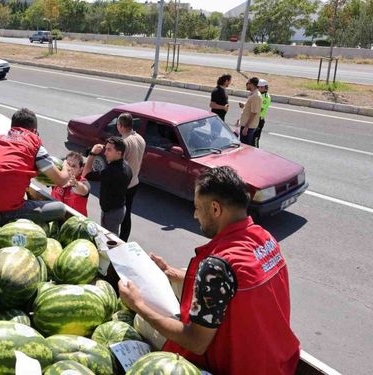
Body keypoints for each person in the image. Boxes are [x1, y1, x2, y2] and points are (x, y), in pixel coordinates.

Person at [118, 166, 300, 375]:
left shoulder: (216, 267)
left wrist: (138, 305)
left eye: (197, 207)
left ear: (215, 209)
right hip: (277, 365)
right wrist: (174, 273)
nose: (195, 215)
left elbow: (196, 342)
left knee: (142, 322)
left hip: (237, 367)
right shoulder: (265, 239)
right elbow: (237, 285)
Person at [0, 108, 72, 223]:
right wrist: (66, 166)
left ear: (12, 127)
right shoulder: (34, 143)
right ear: (34, 131)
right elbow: (61, 181)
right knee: (60, 208)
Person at [83, 137, 132, 236]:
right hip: (118, 209)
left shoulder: (112, 171)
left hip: (111, 214)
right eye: (106, 149)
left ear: (119, 153)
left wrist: (92, 154)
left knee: (109, 241)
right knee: (111, 237)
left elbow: (86, 173)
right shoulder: (126, 166)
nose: (105, 153)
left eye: (109, 150)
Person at [117, 113, 145, 242]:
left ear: (121, 126)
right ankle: (124, 239)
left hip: (124, 185)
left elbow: (118, 165)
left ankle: (118, 240)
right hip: (135, 182)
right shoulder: (140, 138)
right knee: (127, 213)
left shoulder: (124, 143)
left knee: (118, 214)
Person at [51, 151, 90, 216]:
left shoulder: (83, 182)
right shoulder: (59, 176)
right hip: (56, 214)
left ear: (80, 170)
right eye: (68, 164)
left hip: (75, 222)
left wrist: (75, 184)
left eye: (74, 166)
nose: (70, 168)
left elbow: (84, 190)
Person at [236, 77, 261, 145]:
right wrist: (244, 106)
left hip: (249, 127)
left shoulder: (256, 96)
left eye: (247, 83)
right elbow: (250, 109)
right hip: (246, 125)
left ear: (252, 85)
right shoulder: (252, 94)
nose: (246, 85)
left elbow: (254, 113)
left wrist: (246, 126)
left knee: (245, 146)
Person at [253, 79, 271, 148]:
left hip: (259, 119)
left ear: (265, 87)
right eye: (258, 87)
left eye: (261, 87)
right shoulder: (258, 94)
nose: (259, 88)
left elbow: (260, 109)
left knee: (255, 139)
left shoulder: (266, 97)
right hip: (254, 118)